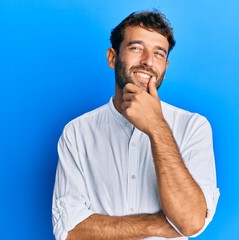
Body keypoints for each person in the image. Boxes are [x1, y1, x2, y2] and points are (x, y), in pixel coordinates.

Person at [52, 10, 219, 240]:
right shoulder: (77, 132)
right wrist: (154, 225)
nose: (148, 61)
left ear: (165, 67)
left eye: (158, 53)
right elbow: (70, 231)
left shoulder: (193, 127)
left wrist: (156, 126)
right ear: (112, 57)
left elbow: (190, 222)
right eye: (136, 48)